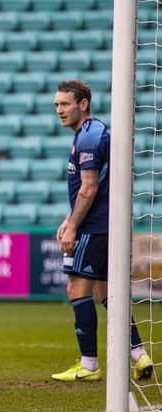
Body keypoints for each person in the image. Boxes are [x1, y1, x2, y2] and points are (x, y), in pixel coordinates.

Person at [51, 80, 153, 382]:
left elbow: (90, 187)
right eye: (57, 104)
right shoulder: (95, 133)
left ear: (83, 104)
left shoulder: (88, 138)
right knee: (106, 292)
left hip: (95, 228)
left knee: (76, 289)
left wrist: (73, 226)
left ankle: (89, 364)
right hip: (109, 224)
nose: (59, 110)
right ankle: (139, 355)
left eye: (65, 104)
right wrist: (69, 216)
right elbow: (97, 186)